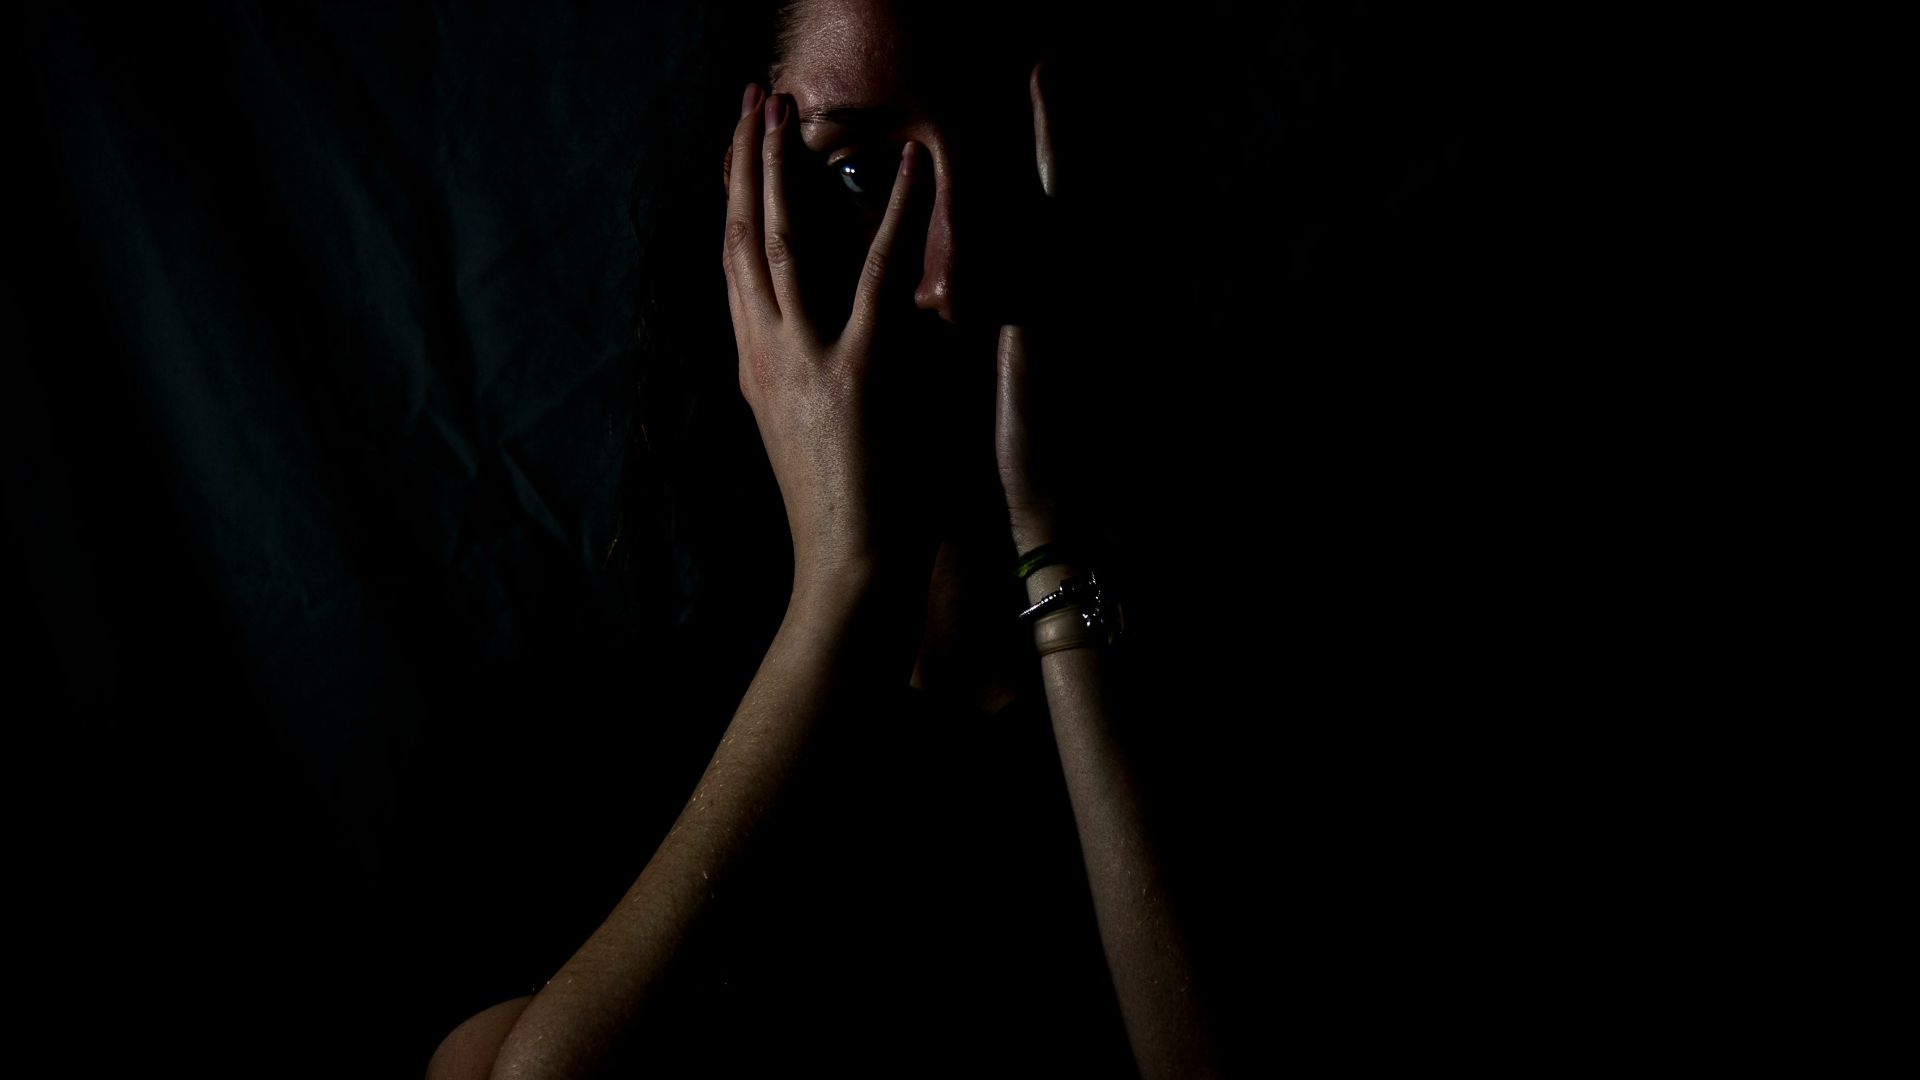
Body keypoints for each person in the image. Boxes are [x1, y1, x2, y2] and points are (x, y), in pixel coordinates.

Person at [429, 2, 1221, 1076]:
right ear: (746, 223)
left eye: (998, 157)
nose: (949, 273)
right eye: (860, 175)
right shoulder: (621, 742)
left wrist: (1049, 524)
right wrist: (846, 589)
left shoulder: (1222, 668)